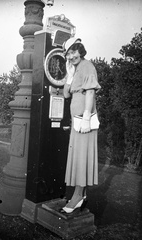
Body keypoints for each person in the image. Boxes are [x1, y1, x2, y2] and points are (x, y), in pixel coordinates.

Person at [61, 37, 101, 214]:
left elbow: (90, 92)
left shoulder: (87, 66)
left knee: (81, 159)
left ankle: (77, 197)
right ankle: (80, 196)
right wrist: (69, 76)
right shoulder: (75, 69)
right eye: (68, 54)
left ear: (80, 50)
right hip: (77, 121)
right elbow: (66, 94)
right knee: (79, 157)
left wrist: (86, 118)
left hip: (83, 121)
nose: (71, 56)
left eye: (74, 52)